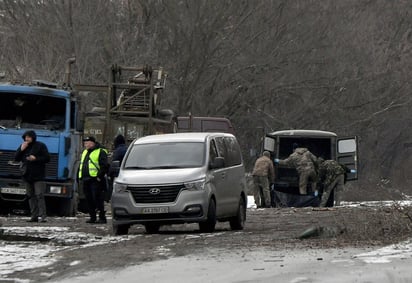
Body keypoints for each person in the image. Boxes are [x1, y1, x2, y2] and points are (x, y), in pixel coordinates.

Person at [15, 130, 50, 222]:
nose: (27, 139)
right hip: (27, 175)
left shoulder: (40, 145)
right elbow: (16, 158)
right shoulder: (23, 146)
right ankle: (34, 216)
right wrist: (21, 150)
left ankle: (43, 216)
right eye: (26, 137)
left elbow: (47, 158)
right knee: (30, 195)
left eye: (29, 137)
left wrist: (36, 158)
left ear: (33, 137)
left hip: (39, 176)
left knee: (39, 195)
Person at [78, 136, 109, 224]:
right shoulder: (85, 152)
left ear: (92, 143)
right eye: (85, 142)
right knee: (89, 199)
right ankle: (93, 217)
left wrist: (99, 177)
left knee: (98, 199)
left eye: (87, 142)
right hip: (86, 179)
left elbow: (104, 166)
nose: (85, 144)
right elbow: (82, 164)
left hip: (95, 180)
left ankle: (102, 217)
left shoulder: (100, 151)